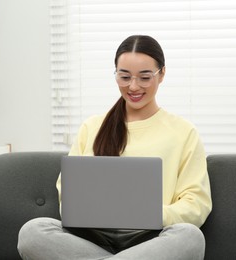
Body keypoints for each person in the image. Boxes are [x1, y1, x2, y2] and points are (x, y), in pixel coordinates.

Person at [17, 35, 212, 260]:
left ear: (162, 74)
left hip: (151, 240)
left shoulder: (183, 132)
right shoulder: (92, 127)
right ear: (116, 74)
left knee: (189, 237)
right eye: (125, 76)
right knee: (32, 231)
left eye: (145, 77)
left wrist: (147, 214)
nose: (133, 86)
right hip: (90, 238)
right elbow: (68, 194)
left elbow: (196, 203)